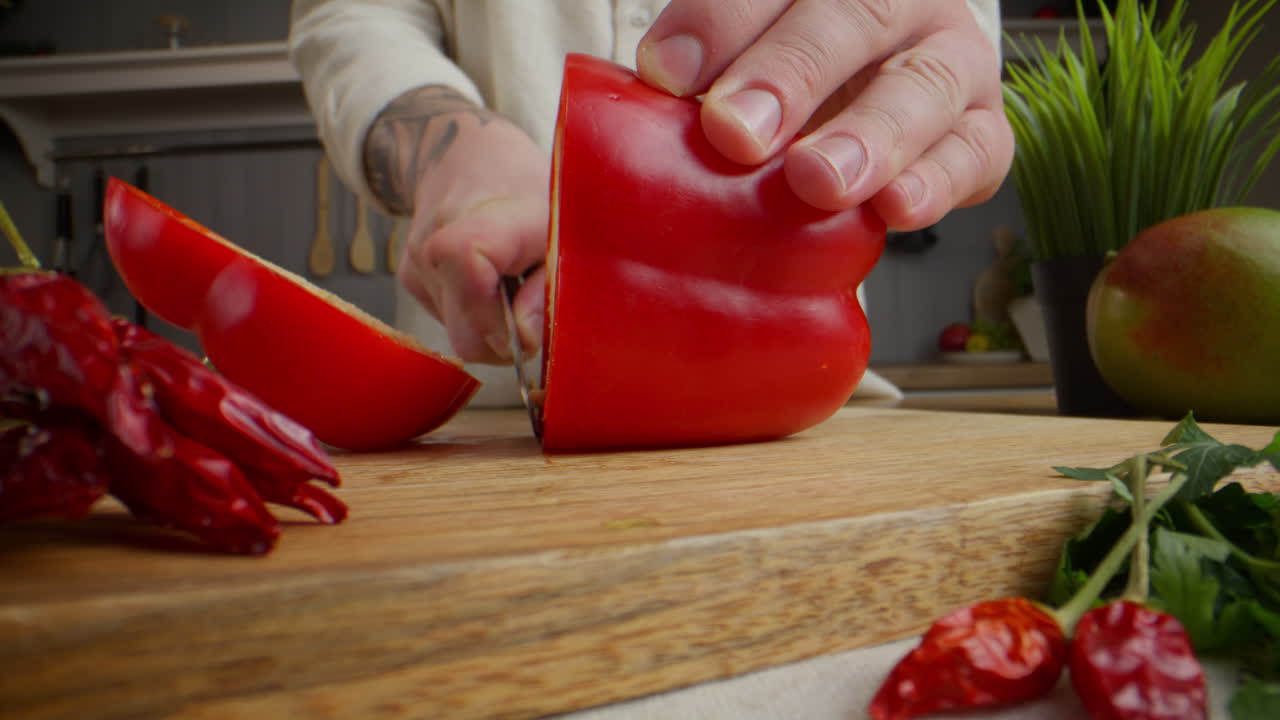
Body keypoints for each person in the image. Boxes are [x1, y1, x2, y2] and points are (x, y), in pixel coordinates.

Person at [289, 0, 1010, 406]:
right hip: (487, 411)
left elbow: (955, 29)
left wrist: (936, 57)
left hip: (803, 411)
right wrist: (457, 156)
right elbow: (352, 16)